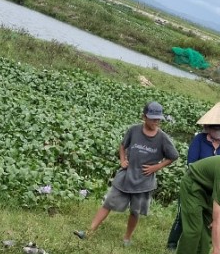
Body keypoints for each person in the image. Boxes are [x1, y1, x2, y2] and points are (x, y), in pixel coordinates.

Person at [75, 101, 177, 246]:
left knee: (135, 211)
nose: (156, 121)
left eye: (158, 119)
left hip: (144, 181)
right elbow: (123, 145)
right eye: (153, 118)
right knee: (108, 202)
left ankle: (127, 238)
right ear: (144, 117)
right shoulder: (134, 130)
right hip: (126, 175)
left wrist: (156, 167)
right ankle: (89, 231)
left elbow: (173, 156)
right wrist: (123, 160)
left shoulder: (163, 138)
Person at [166, 103, 220, 251]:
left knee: (206, 218)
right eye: (214, 128)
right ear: (208, 128)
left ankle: (198, 247)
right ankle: (172, 244)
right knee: (183, 215)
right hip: (194, 183)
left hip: (214, 188)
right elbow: (191, 163)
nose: (218, 132)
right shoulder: (199, 140)